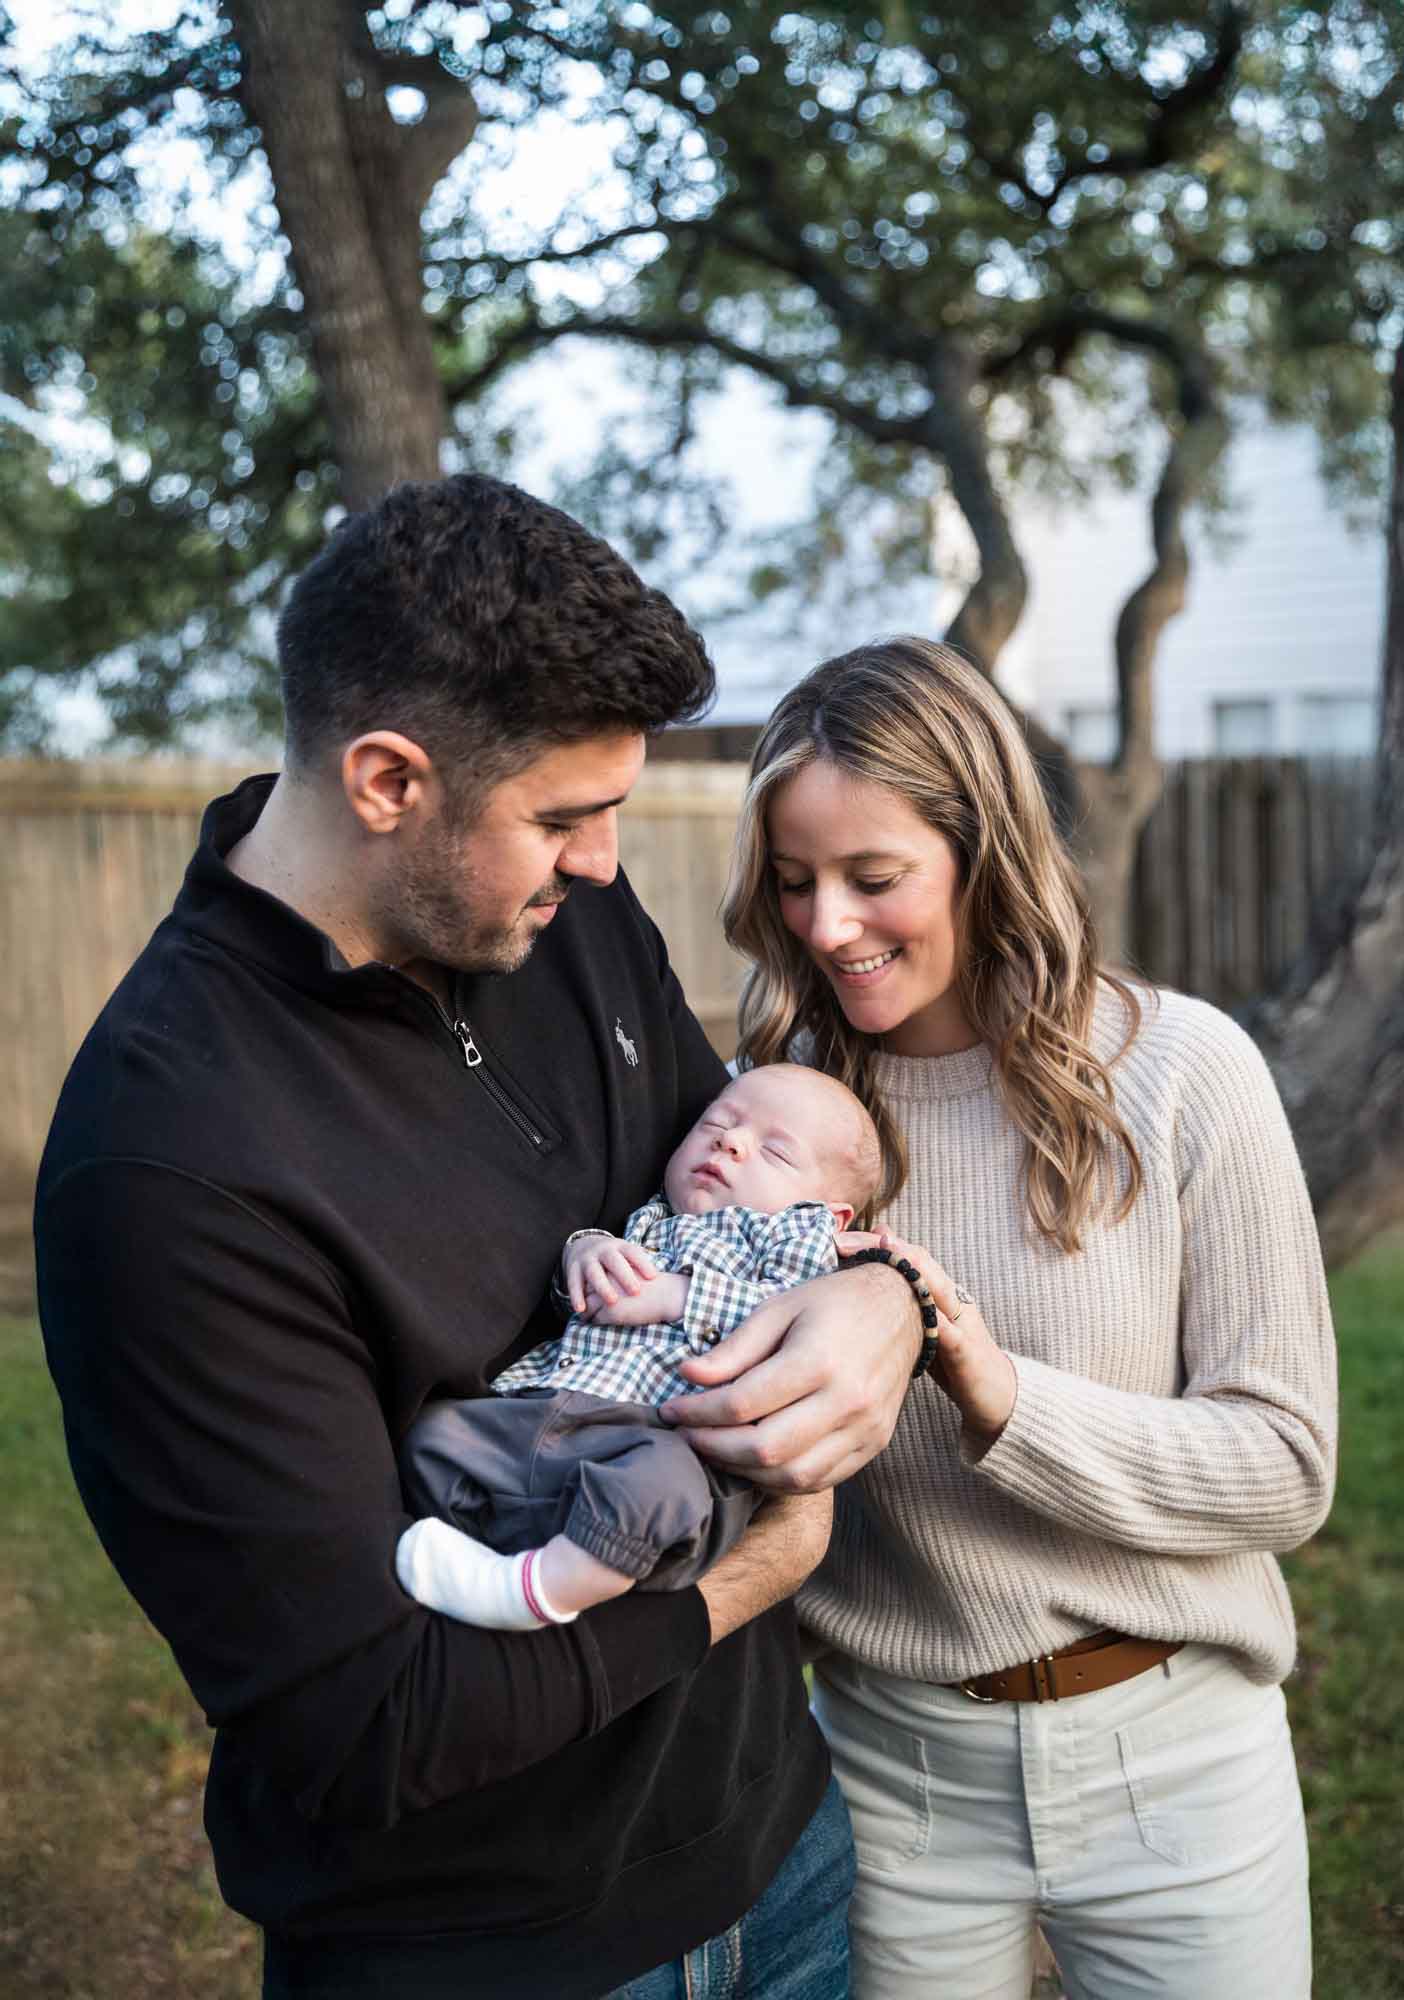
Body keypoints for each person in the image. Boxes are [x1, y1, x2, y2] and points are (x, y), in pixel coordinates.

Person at [34, 476, 928, 2000]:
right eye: (566, 817)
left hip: (781, 1851)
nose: (602, 860)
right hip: (489, 1954)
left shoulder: (556, 917)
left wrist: (880, 1294)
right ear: (389, 780)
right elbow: (366, 1720)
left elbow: (756, 1184)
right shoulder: (173, 1163)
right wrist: (743, 1579)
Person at [703, 636, 1337, 2000]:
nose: (825, 926)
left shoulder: (1180, 1074)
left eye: (874, 878)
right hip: (891, 1768)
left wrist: (1001, 1396)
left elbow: (1287, 1467)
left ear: (986, 854)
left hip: (1178, 1759)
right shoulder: (771, 1118)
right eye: (796, 882)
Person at [397, 1064, 883, 1631]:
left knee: (663, 1490)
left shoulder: (796, 1241)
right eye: (717, 1123)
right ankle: (479, 1553)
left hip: (662, 1435)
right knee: (432, 1434)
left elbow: (787, 1320)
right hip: (545, 1411)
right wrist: (584, 1254)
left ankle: (539, 1591)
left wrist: (679, 1296)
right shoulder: (651, 1216)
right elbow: (578, 1299)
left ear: (830, 1215)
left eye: (774, 1153)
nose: (729, 1141)